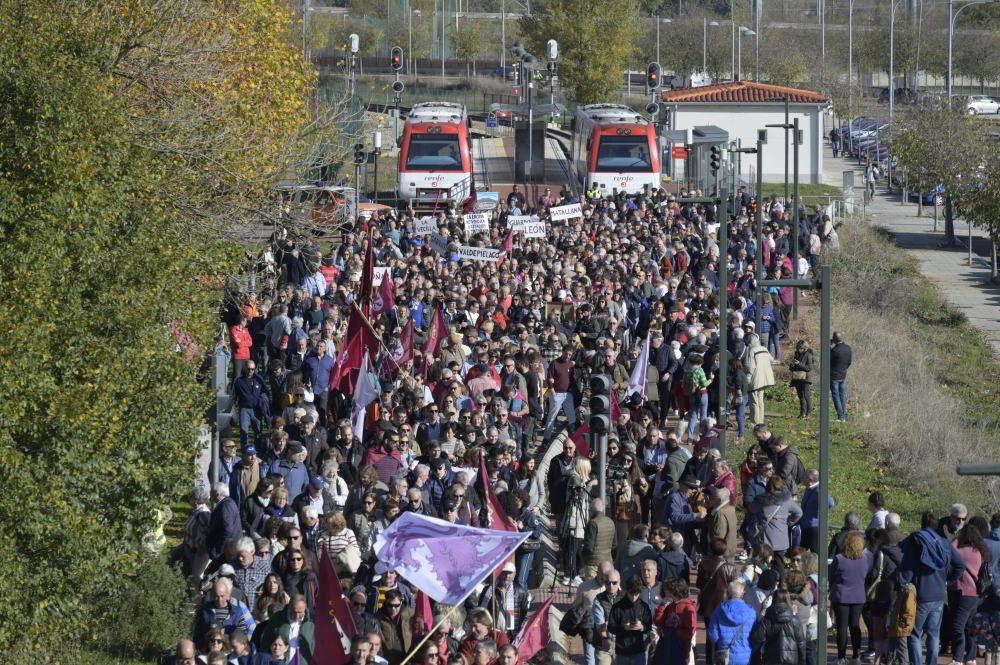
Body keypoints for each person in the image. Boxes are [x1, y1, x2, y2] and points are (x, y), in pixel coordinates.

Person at [897, 511, 967, 665]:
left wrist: (902, 583)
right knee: (934, 634)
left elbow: (907, 568)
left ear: (922, 524)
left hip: (920, 595)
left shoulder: (916, 540)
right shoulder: (944, 542)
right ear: (937, 525)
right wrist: (947, 579)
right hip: (939, 595)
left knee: (915, 634)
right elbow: (961, 565)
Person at [829, 532, 872, 663]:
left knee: (842, 627)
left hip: (841, 596)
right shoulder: (865, 559)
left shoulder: (839, 558)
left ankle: (841, 657)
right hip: (858, 596)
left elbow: (831, 577)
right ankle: (855, 656)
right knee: (855, 626)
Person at [949, 523, 989, 665]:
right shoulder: (980, 551)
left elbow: (949, 550)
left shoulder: (960, 550)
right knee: (969, 626)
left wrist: (955, 538)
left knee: (957, 625)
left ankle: (958, 659)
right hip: (976, 593)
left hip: (964, 592)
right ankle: (971, 658)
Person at [750, 591, 808, 665]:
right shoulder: (795, 620)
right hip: (791, 659)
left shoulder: (767, 619)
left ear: (773, 600)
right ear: (788, 600)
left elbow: (756, 638)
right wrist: (802, 662)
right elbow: (801, 644)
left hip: (771, 659)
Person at [706, 579, 756, 665]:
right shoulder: (751, 612)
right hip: (744, 656)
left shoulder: (719, 611)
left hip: (724, 656)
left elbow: (713, 636)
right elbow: (756, 635)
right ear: (742, 594)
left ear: (728, 593)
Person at [608, 576, 653, 665]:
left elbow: (649, 626)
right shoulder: (617, 607)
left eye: (636, 594)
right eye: (631, 594)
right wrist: (624, 627)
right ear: (626, 591)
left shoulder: (644, 607)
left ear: (640, 592)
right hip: (622, 652)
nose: (633, 597)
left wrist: (642, 627)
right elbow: (611, 627)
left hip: (639, 651)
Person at [653, 577, 697, 665]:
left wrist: (674, 632)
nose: (665, 592)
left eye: (667, 590)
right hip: (666, 647)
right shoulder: (669, 606)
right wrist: (662, 605)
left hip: (680, 648)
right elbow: (658, 622)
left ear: (674, 591)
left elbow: (690, 631)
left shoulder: (688, 608)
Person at [582, 498, 617, 581]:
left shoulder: (592, 523)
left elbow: (589, 547)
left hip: (593, 563)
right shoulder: (611, 522)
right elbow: (614, 545)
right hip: (608, 562)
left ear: (591, 510)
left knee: (592, 590)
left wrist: (584, 557)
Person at [830, 332, 852, 422]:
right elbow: (849, 362)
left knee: (836, 396)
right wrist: (844, 369)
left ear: (834, 339)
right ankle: (845, 416)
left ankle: (841, 416)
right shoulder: (848, 348)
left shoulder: (835, 350)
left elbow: (828, 361)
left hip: (834, 376)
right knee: (842, 395)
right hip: (843, 374)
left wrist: (829, 346)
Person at [789, 339, 813, 418]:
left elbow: (809, 368)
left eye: (800, 348)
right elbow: (792, 367)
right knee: (800, 396)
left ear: (805, 348)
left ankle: (808, 413)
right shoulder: (796, 354)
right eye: (798, 348)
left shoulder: (808, 355)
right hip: (797, 377)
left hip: (805, 378)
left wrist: (799, 364)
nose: (798, 350)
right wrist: (792, 365)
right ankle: (802, 413)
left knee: (806, 396)